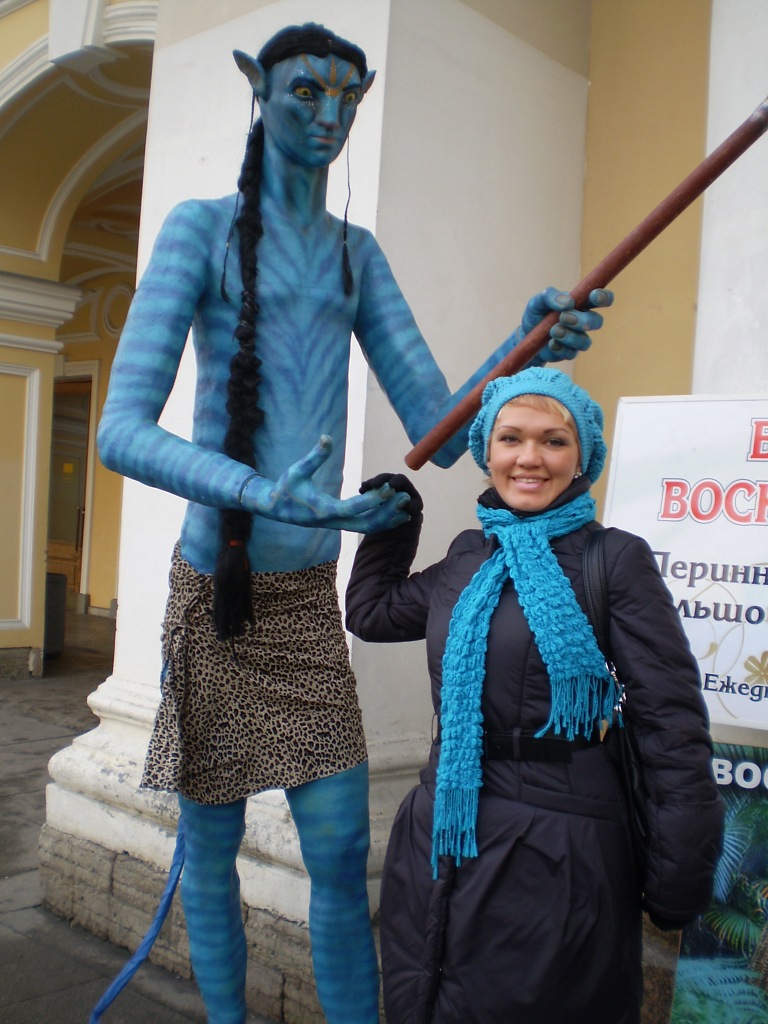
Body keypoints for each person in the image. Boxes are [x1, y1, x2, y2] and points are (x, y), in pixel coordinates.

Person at [97, 22, 611, 1024]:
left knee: (338, 852)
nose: (328, 114)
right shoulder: (199, 231)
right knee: (212, 847)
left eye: (346, 95)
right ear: (257, 88)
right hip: (215, 597)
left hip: (301, 605)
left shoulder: (354, 256)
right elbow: (120, 429)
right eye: (306, 91)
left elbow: (442, 434)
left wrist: (527, 341)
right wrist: (258, 492)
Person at [345, 367, 725, 1024]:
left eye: (553, 441)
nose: (529, 458)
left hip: (558, 848)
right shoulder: (468, 556)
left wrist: (679, 875)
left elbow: (670, 723)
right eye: (511, 438)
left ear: (582, 457)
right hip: (444, 828)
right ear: (486, 451)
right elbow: (373, 613)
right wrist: (394, 528)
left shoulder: (615, 560)